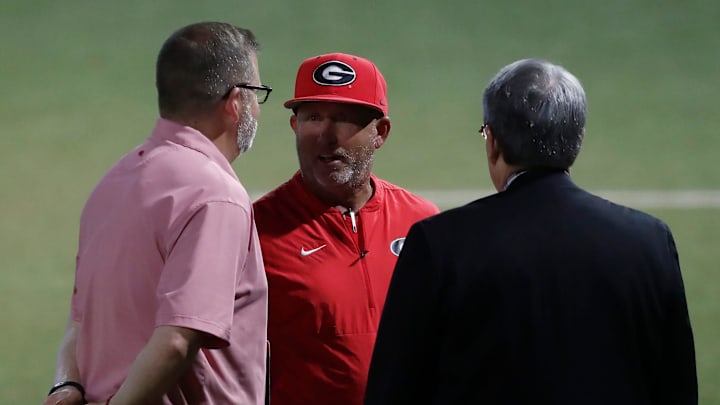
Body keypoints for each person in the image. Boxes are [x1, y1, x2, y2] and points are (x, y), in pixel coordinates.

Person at [365, 58, 698, 404]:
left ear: (492, 142)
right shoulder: (649, 241)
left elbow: (394, 390)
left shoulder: (439, 244)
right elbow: (677, 387)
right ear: (577, 139)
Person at [43, 22, 271, 405]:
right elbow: (177, 340)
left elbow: (80, 318)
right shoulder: (216, 196)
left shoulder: (114, 183)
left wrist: (65, 384)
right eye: (256, 94)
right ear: (235, 103)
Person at [252, 52, 439, 405]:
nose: (326, 135)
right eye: (313, 117)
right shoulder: (257, 231)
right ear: (295, 126)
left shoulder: (421, 224)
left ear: (380, 132)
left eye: (344, 119)